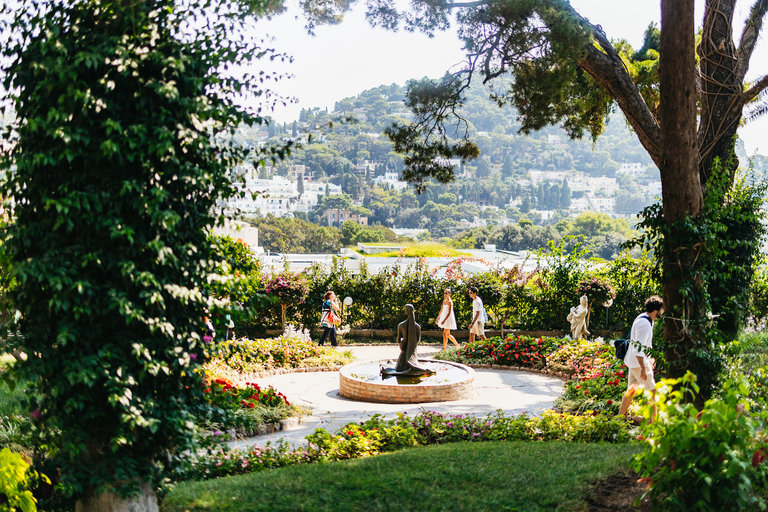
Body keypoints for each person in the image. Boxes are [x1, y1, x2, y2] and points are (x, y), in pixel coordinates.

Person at [618, 295, 664, 419]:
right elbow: (638, 349)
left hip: (635, 362)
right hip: (639, 363)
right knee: (652, 391)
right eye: (661, 309)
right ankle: (652, 424)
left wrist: (651, 358)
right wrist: (644, 368)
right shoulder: (644, 323)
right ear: (656, 310)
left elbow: (645, 344)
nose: (662, 311)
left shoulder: (645, 318)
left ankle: (619, 419)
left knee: (631, 389)